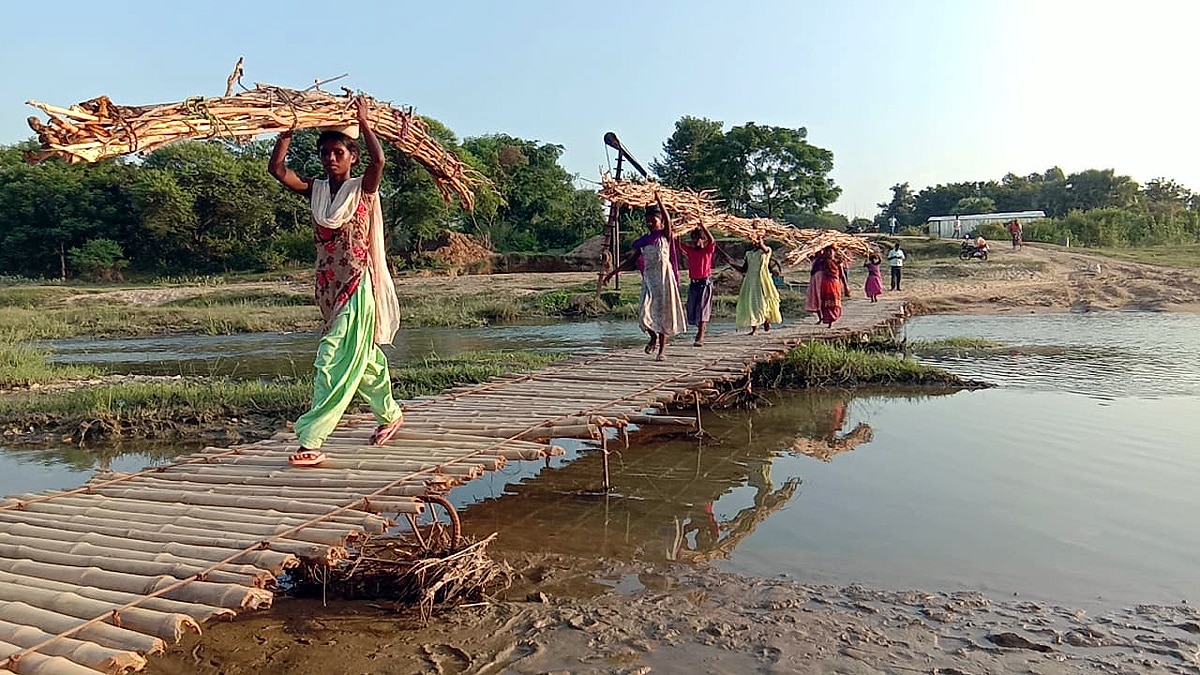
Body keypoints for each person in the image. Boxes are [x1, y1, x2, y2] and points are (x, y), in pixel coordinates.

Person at [268, 97, 405, 467]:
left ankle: (312, 437)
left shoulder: (363, 188)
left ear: (351, 156)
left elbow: (380, 161)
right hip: (328, 285)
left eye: (338, 152)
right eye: (326, 152)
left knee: (332, 356)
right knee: (367, 359)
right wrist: (287, 132)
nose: (331, 158)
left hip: (357, 283)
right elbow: (278, 170)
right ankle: (391, 415)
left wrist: (364, 122)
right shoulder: (315, 191)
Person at [603, 194, 686, 360]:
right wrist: (612, 273)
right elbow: (631, 262)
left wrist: (660, 200)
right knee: (643, 313)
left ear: (661, 222)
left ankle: (662, 350)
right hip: (649, 281)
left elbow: (669, 222)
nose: (649, 223)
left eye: (653, 220)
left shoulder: (665, 236)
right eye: (647, 220)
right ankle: (653, 337)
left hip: (664, 280)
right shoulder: (644, 242)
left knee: (663, 315)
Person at [676, 219, 717, 347]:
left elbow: (712, 241)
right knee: (691, 308)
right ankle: (701, 329)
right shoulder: (691, 251)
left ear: (702, 239)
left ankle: (700, 335)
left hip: (705, 283)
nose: (695, 241)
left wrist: (703, 226)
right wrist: (679, 229)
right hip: (693, 283)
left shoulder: (707, 250)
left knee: (702, 309)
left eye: (698, 239)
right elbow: (677, 245)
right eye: (693, 239)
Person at [730, 237, 783, 335]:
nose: (755, 242)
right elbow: (744, 269)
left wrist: (760, 240)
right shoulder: (749, 254)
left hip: (762, 280)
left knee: (763, 302)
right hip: (750, 281)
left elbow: (764, 248)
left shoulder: (766, 251)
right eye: (754, 241)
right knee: (752, 303)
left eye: (758, 241)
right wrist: (732, 264)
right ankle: (754, 329)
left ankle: (766, 319)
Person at [815, 248, 846, 326]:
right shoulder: (823, 262)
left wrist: (846, 286)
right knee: (826, 303)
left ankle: (832, 318)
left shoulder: (838, 263)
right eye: (827, 252)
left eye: (830, 252)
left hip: (835, 284)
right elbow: (817, 257)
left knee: (834, 302)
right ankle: (829, 320)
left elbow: (842, 275)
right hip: (826, 284)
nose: (828, 253)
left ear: (834, 253)